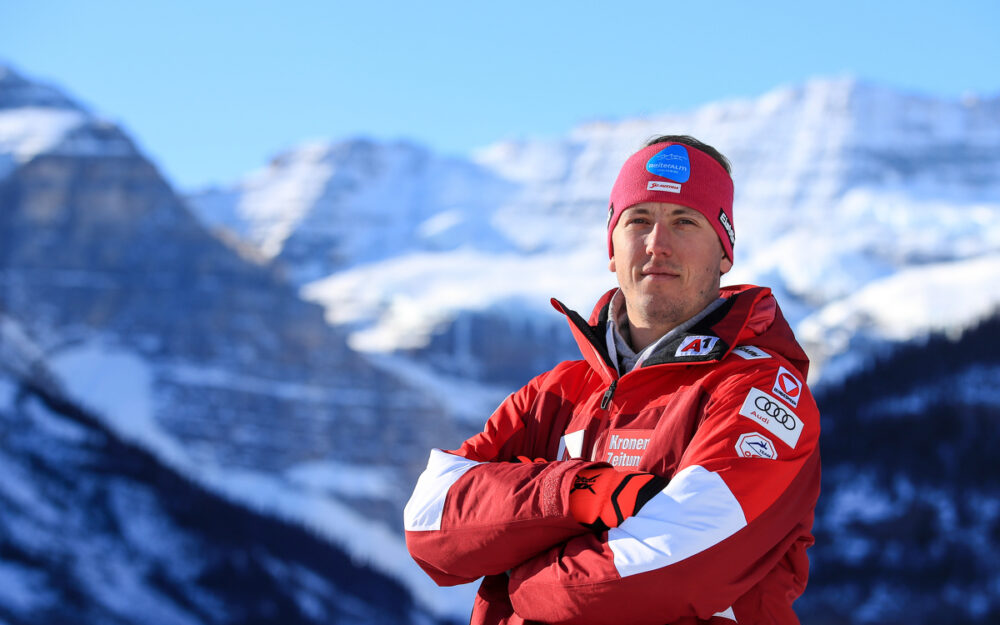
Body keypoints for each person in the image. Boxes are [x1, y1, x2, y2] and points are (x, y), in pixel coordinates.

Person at [404, 135, 821, 625]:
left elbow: (672, 567)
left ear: (725, 253)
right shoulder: (559, 391)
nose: (656, 244)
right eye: (638, 220)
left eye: (684, 222)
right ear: (612, 247)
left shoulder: (759, 391)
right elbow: (430, 521)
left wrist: (518, 576)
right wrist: (577, 492)